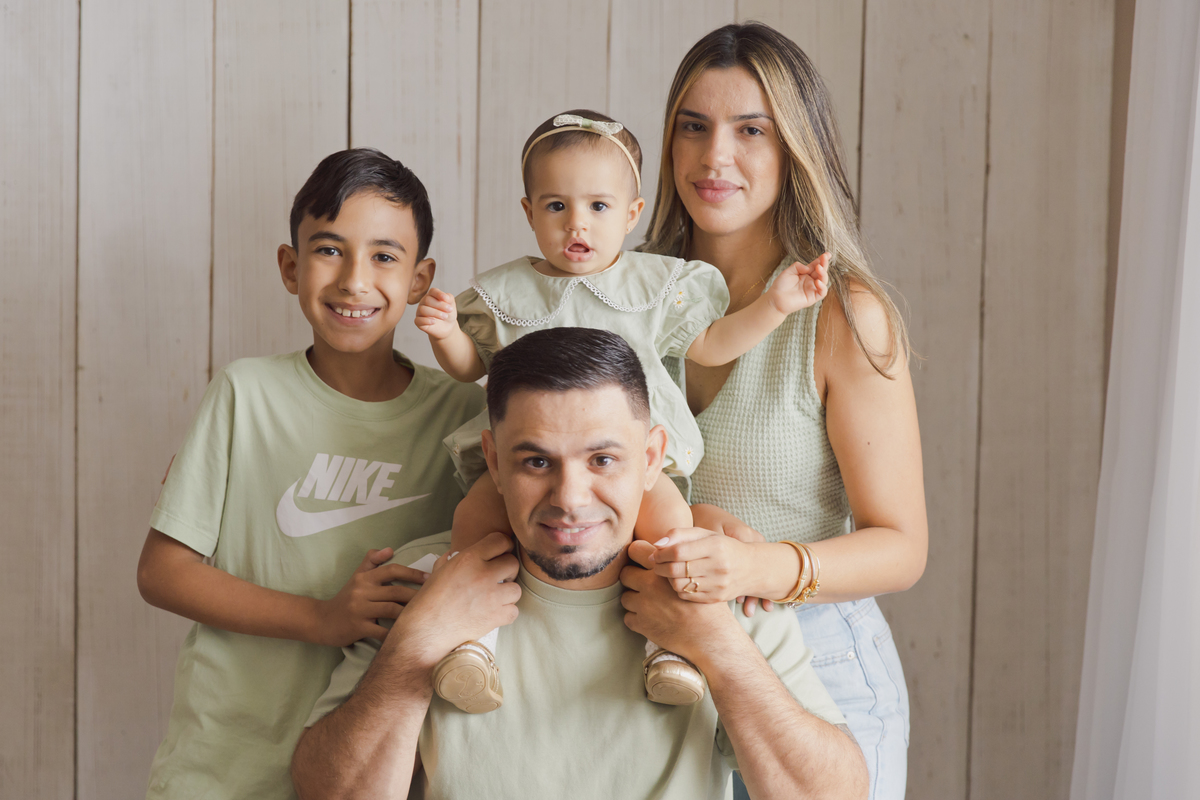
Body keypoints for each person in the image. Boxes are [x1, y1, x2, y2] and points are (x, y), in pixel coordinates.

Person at [291, 327, 868, 800]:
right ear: (494, 462)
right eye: (537, 462)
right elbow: (328, 792)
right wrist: (416, 644)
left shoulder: (719, 582)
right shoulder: (424, 579)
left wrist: (718, 645)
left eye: (602, 460)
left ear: (651, 458)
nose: (570, 498)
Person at [413, 108, 829, 710]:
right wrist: (446, 333)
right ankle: (472, 643)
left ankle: (671, 646)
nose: (576, 223)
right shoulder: (508, 293)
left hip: (629, 466)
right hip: (530, 463)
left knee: (671, 529)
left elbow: (711, 345)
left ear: (632, 215)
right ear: (529, 213)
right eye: (556, 206)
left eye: (599, 207)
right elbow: (470, 366)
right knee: (473, 522)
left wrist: (776, 305)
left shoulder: (652, 287)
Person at [135, 149, 484, 800]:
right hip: (221, 773)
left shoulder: (465, 416)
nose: (354, 281)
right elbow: (162, 572)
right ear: (290, 267)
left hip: (374, 773)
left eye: (384, 256)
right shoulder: (245, 394)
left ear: (420, 279)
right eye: (329, 250)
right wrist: (323, 618)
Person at [638, 23, 929, 800]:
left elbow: (902, 547)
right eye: (693, 127)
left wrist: (757, 567)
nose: (714, 156)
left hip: (817, 674)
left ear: (796, 149)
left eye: (751, 131)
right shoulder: (633, 300)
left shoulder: (843, 317)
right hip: (657, 677)